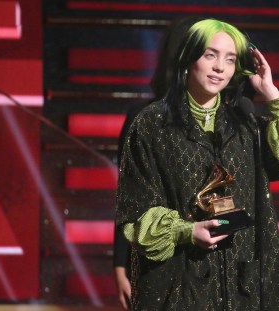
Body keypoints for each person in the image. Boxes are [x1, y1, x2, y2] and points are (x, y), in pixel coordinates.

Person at [116, 18, 279, 310]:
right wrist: (186, 231)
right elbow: (135, 212)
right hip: (179, 281)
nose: (219, 67)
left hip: (242, 281)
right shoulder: (152, 123)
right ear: (189, 58)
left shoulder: (245, 122)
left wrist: (272, 95)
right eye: (210, 55)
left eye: (230, 59)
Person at [113, 16, 204, 309]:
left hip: (213, 259)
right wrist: (119, 265)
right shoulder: (144, 117)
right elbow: (128, 197)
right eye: (206, 52)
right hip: (159, 257)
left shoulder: (229, 121)